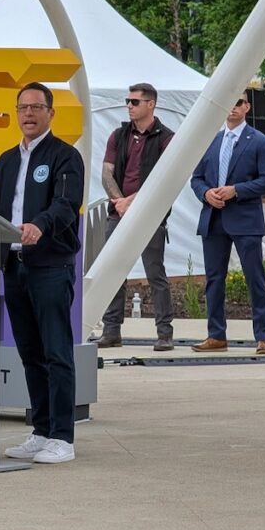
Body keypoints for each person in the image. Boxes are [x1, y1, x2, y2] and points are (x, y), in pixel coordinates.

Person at [0, 82, 85, 464]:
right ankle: (41, 431)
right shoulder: (6, 160)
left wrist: (39, 223)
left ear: (51, 113)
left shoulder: (65, 157)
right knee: (30, 353)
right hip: (14, 267)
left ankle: (62, 437)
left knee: (56, 352)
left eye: (36, 107)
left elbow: (67, 203)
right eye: (23, 107)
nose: (28, 114)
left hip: (50, 267)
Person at [190, 92, 265, 355]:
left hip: (245, 220)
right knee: (214, 279)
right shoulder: (211, 140)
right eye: (229, 101)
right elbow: (196, 178)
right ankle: (216, 335)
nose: (232, 107)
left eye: (238, 102)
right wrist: (206, 193)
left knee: (255, 279)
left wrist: (236, 190)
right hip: (214, 218)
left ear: (247, 107)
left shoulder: (260, 141)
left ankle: (263, 337)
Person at [91, 82, 175, 351]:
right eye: (128, 101)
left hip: (150, 216)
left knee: (155, 274)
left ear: (151, 104)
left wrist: (132, 203)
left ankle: (165, 333)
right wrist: (119, 202)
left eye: (135, 102)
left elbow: (163, 180)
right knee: (113, 272)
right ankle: (112, 330)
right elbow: (106, 173)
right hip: (119, 213)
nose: (129, 105)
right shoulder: (119, 135)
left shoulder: (166, 137)